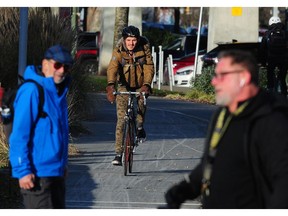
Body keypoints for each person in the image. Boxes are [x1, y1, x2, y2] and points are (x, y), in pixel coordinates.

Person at [164, 49, 288, 209]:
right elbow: (210, 162)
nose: (214, 82)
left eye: (221, 75)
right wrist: (185, 189)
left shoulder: (271, 119)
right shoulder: (223, 115)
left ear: (244, 77)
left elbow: (283, 181)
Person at [9, 44, 73, 209]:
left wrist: (63, 164)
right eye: (57, 65)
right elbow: (19, 136)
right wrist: (22, 171)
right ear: (45, 64)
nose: (62, 70)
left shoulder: (58, 92)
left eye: (66, 67)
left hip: (56, 173)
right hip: (37, 175)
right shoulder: (32, 90)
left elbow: (61, 133)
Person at [106, 25, 155, 166]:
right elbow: (112, 67)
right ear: (124, 40)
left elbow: (149, 67)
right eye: (128, 40)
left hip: (141, 84)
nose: (131, 43)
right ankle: (118, 154)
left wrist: (146, 84)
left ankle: (139, 128)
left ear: (138, 40)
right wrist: (110, 85)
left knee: (141, 104)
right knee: (121, 119)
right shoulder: (119, 49)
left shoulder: (144, 47)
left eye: (134, 40)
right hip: (123, 85)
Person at [260, 16, 288, 97]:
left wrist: (263, 62)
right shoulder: (285, 33)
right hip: (284, 59)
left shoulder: (267, 33)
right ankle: (284, 97)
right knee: (282, 78)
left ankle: (270, 95)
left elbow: (262, 49)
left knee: (270, 77)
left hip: (271, 59)